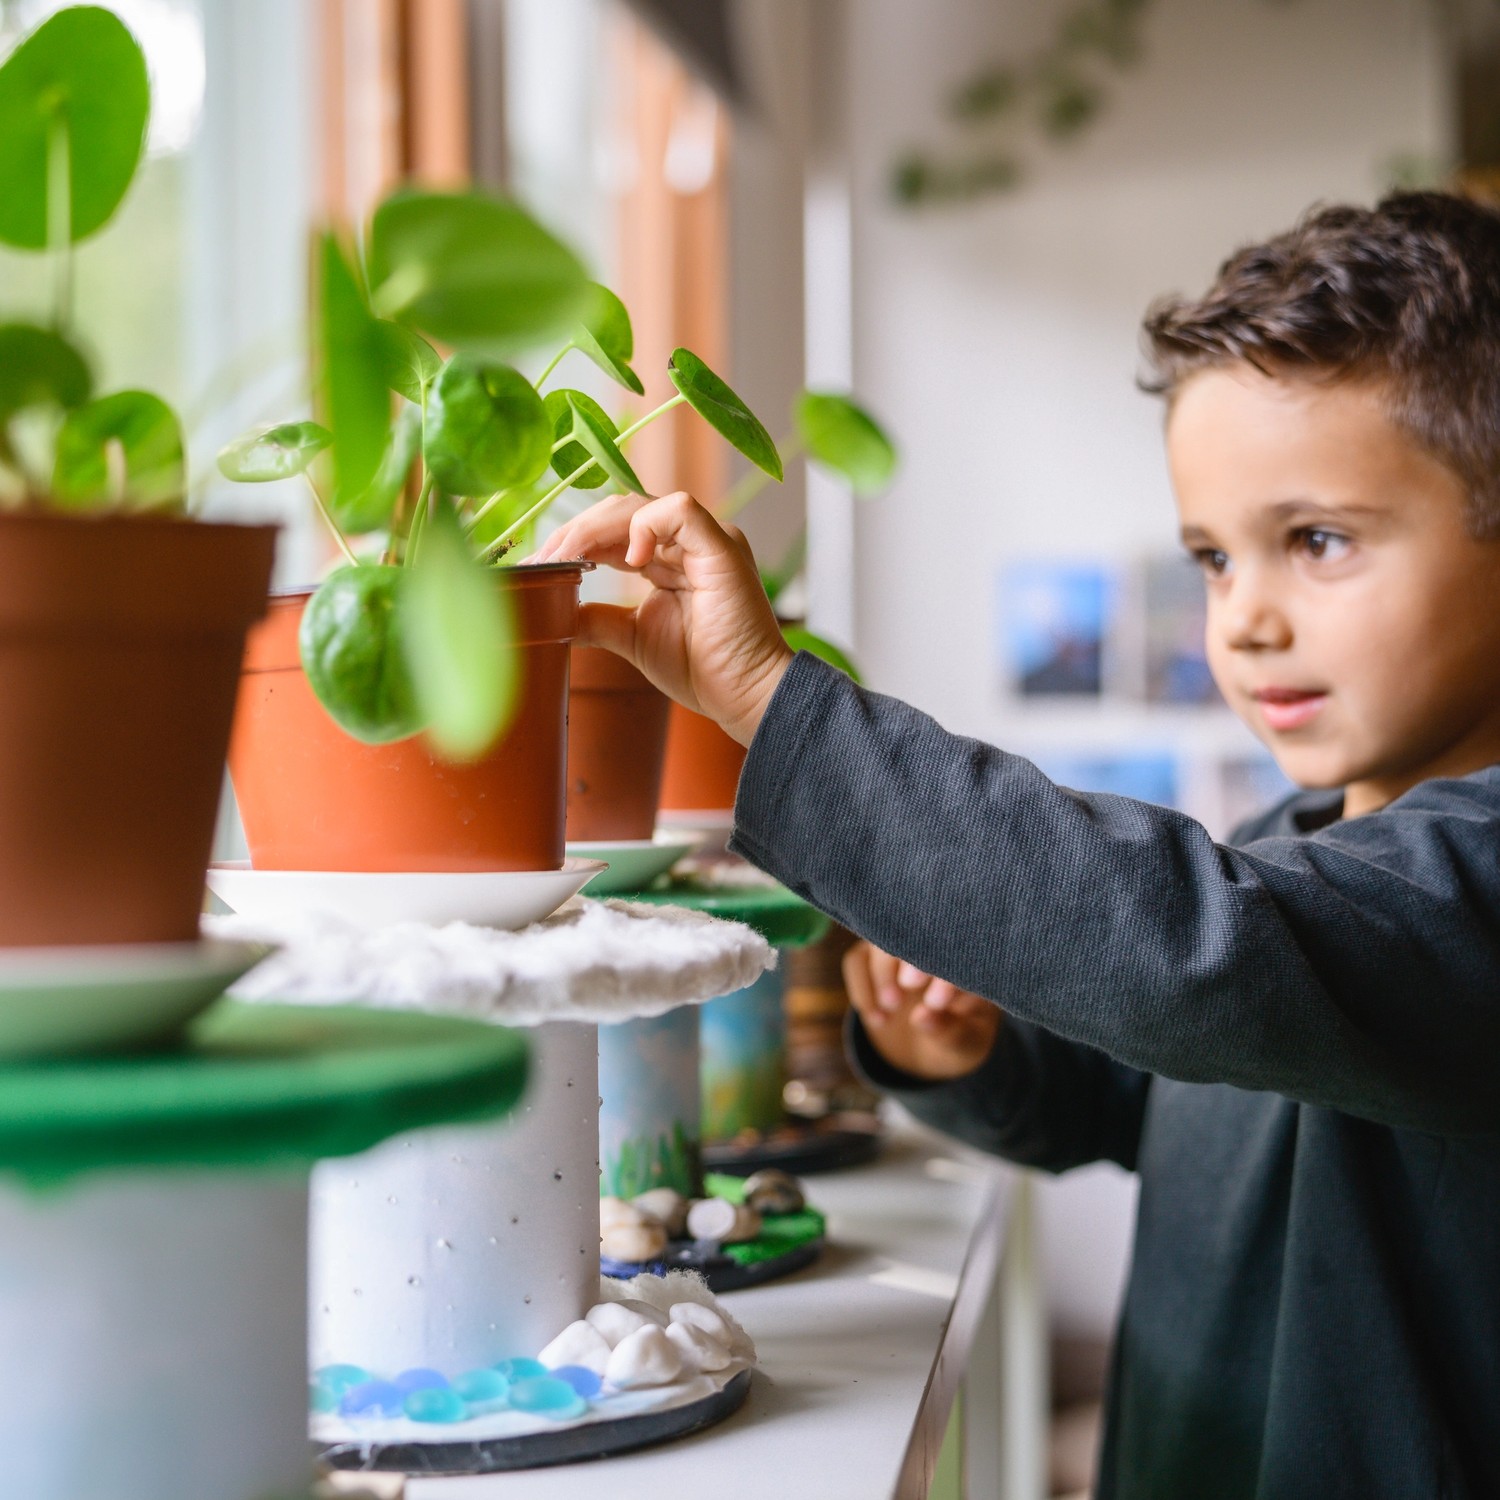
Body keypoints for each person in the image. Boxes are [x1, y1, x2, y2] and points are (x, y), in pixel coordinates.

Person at [532, 191, 1500, 1499]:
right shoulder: (1296, 842)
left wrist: (769, 701)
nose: (1246, 620)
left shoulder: (1474, 889)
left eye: (1317, 542)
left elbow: (1193, 960)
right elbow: (1147, 1091)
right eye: (1212, 559)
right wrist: (978, 1054)